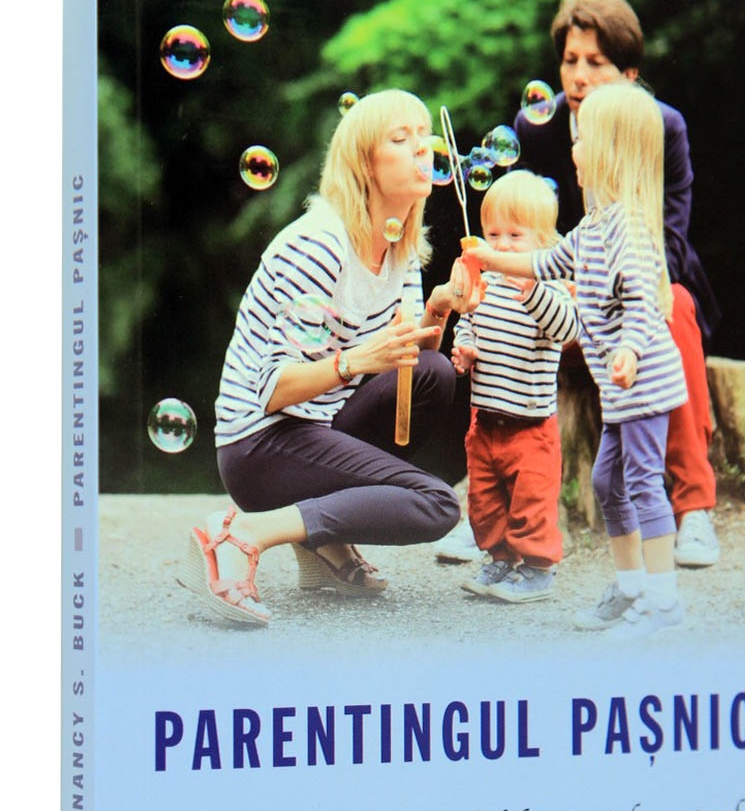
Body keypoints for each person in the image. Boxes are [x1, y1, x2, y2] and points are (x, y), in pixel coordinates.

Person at [178, 89, 475, 627]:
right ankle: (244, 533)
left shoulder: (403, 249)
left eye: (424, 137)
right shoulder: (320, 246)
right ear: (365, 163)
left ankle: (322, 544)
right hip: (261, 443)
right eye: (400, 138)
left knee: (433, 373)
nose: (422, 149)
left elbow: (407, 366)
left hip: (320, 425)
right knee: (437, 504)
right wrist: (356, 361)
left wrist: (439, 310)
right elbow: (273, 390)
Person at [468, 81, 687, 638]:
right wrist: (490, 257)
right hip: (621, 391)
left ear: (612, 152)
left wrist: (629, 349)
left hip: (642, 382)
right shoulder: (594, 226)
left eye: (583, 138)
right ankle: (631, 587)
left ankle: (662, 602)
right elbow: (544, 263)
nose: (574, 147)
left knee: (641, 483)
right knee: (607, 483)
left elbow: (642, 300)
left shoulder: (629, 229)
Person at [514, 0, 721, 569]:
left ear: (629, 75)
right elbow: (524, 226)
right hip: (562, 293)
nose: (579, 77)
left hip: (637, 293)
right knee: (503, 304)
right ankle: (495, 507)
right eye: (570, 60)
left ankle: (694, 508)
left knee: (673, 305)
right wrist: (557, 283)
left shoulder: (662, 127)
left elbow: (666, 244)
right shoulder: (537, 127)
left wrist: (594, 281)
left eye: (597, 63)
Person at [450, 171, 578, 603]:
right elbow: (467, 322)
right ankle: (500, 559)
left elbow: (566, 329)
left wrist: (533, 291)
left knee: (531, 504)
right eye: (493, 235)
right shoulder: (482, 285)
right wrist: (465, 349)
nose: (501, 246)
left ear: (544, 242)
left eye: (515, 236)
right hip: (485, 423)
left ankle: (538, 569)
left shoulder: (550, 287)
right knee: (485, 502)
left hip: (531, 428)